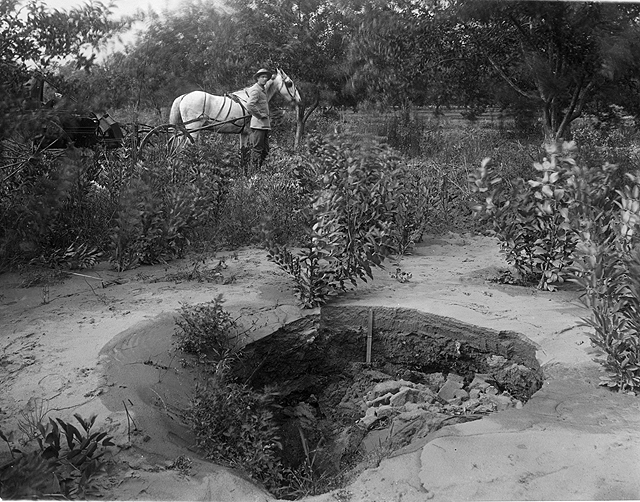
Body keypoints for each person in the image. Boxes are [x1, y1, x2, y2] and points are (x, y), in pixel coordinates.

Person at [246, 68, 272, 172]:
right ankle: (253, 174)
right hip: (258, 125)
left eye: (266, 77)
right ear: (257, 78)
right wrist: (260, 115)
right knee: (257, 150)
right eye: (262, 77)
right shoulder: (256, 90)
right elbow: (250, 105)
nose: (265, 79)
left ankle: (259, 170)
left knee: (265, 150)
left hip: (264, 125)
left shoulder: (263, 89)